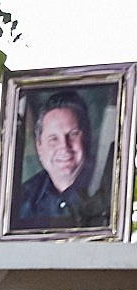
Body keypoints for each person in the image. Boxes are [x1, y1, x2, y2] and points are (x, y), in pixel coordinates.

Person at [13, 89, 111, 229]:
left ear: (87, 137)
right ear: (39, 147)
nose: (64, 146)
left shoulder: (111, 188)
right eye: (53, 138)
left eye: (72, 134)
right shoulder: (20, 201)